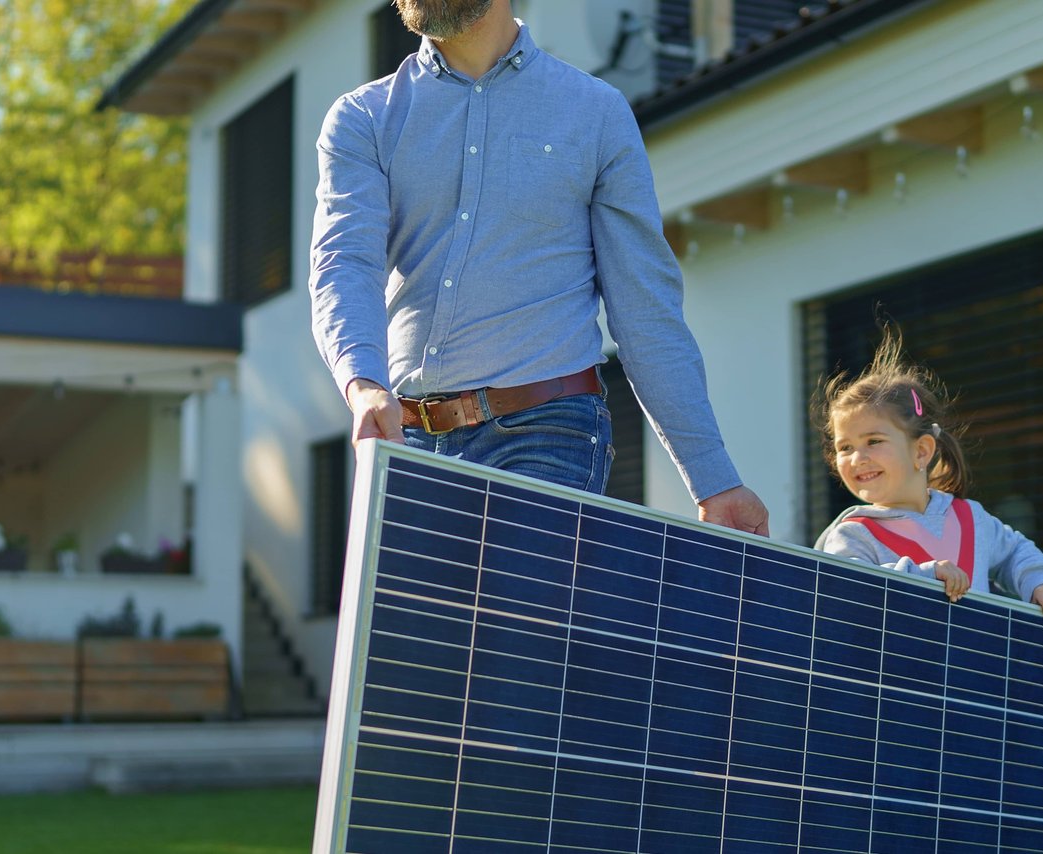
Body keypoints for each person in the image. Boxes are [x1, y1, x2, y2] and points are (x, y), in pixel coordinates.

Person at [310, 0, 768, 535]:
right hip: (408, 438)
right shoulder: (362, 117)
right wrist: (363, 383)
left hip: (548, 431)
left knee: (521, 592)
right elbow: (345, 261)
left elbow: (645, 307)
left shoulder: (595, 112)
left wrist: (714, 480)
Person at [812, 333, 1043, 624]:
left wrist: (1041, 580)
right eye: (845, 447)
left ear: (921, 451)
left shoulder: (970, 517)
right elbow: (848, 595)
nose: (857, 458)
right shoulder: (851, 535)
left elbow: (1015, 552)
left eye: (873, 441)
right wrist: (923, 576)